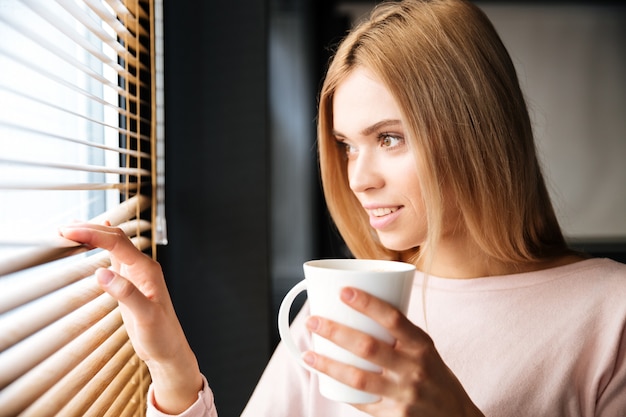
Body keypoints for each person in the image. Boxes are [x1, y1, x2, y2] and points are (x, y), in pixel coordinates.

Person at [59, 0, 626, 416]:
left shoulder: (610, 314)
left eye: (389, 138)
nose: (358, 178)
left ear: (476, 129)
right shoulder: (348, 306)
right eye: (347, 146)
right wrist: (173, 371)